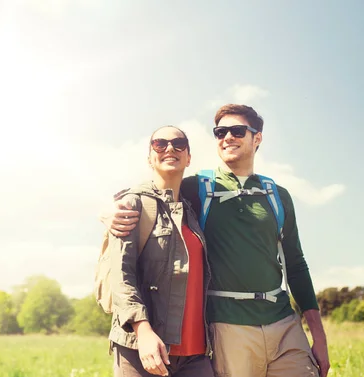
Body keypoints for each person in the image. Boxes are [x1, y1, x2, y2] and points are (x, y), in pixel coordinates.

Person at [107, 105, 330, 377]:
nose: (227, 137)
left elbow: (296, 265)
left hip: (283, 324)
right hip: (227, 326)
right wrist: (110, 210)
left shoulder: (277, 196)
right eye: (220, 132)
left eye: (237, 131)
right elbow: (154, 190)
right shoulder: (197, 188)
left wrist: (319, 337)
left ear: (257, 138)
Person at [107, 125, 215, 377]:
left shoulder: (193, 210)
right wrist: (142, 331)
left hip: (195, 355)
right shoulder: (134, 203)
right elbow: (121, 276)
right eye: (160, 144)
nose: (169, 148)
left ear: (188, 158)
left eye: (179, 144)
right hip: (141, 350)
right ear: (149, 157)